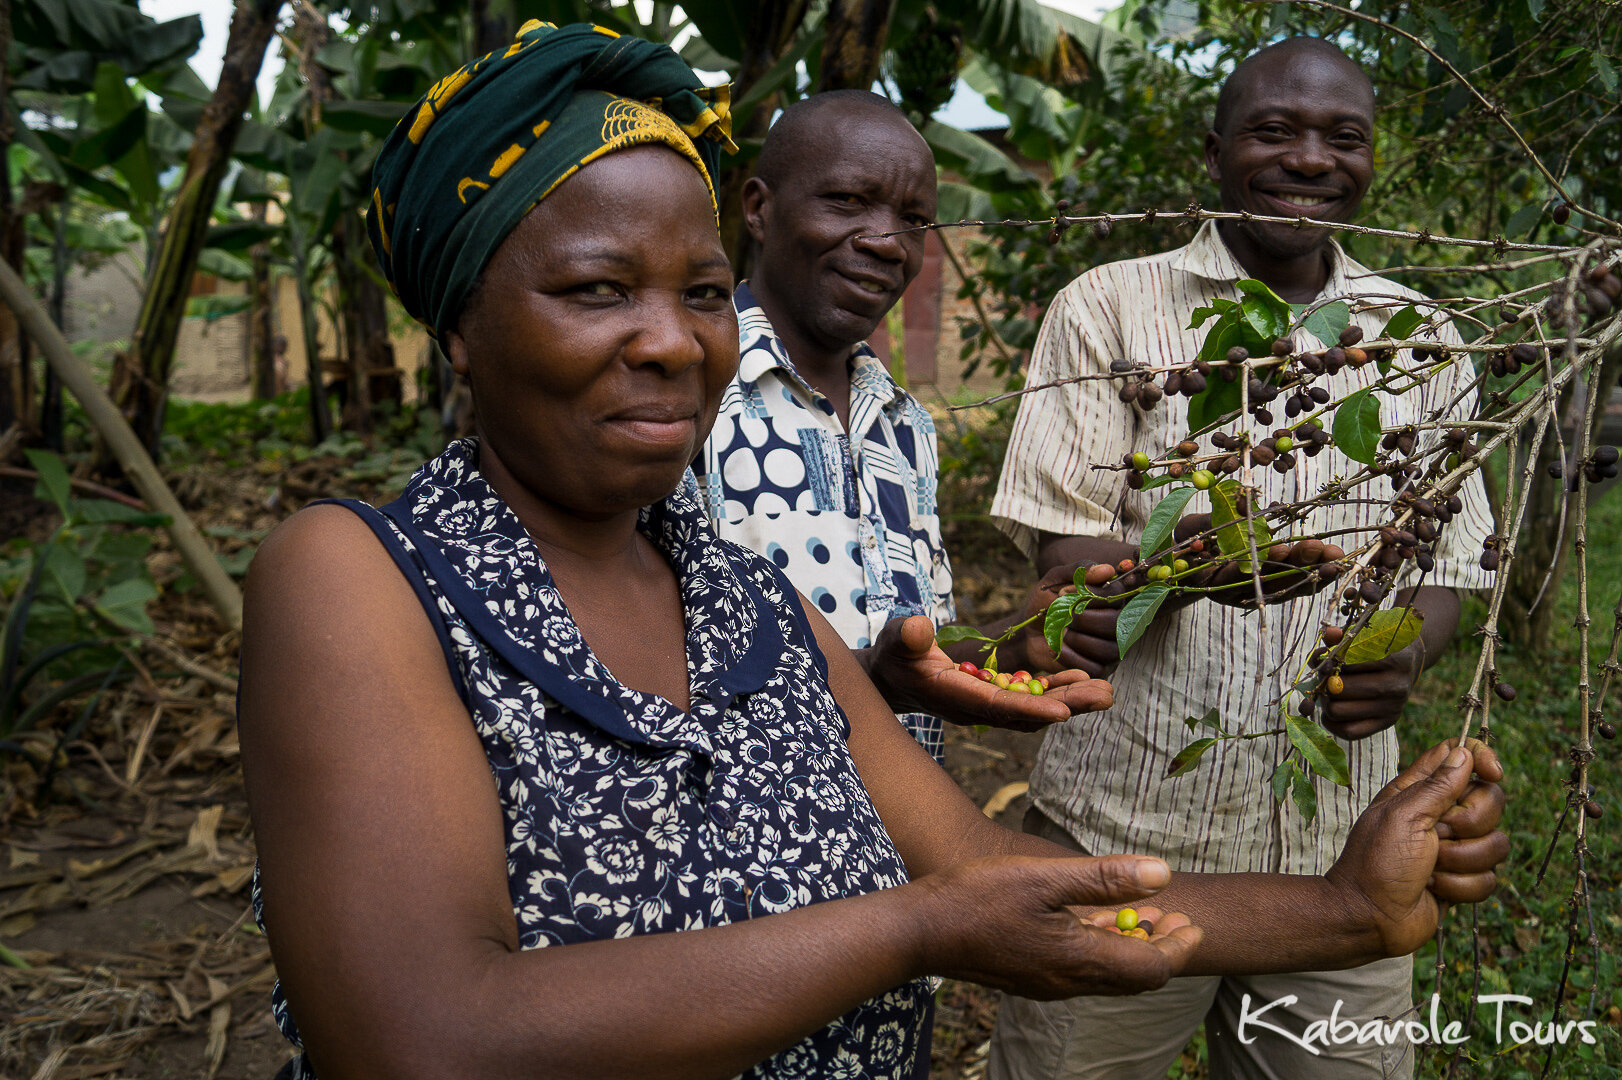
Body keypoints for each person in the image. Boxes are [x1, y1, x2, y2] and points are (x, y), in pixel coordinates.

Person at [239, 24, 1508, 1080]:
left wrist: (1347, 906)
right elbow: (417, 1037)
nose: (676, 343)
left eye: (693, 292)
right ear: (460, 326)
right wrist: (910, 933)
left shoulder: (741, 601)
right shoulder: (362, 579)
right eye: (592, 290)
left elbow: (984, 865)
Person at [987, 37, 1498, 1080]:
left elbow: (1447, 561)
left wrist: (1404, 659)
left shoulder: (1419, 339)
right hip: (1119, 845)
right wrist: (1162, 576)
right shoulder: (1108, 307)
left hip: (1339, 861)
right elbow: (1064, 539)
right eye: (1273, 131)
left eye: (1340, 138)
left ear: (1371, 160)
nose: (1307, 159)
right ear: (1213, 150)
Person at [698, 91, 1086, 761]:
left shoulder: (905, 425)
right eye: (847, 201)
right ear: (759, 208)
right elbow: (645, 654)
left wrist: (1006, 641)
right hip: (748, 839)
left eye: (913, 220)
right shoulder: (690, 392)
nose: (885, 241)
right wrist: (874, 680)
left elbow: (911, 650)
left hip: (904, 842)